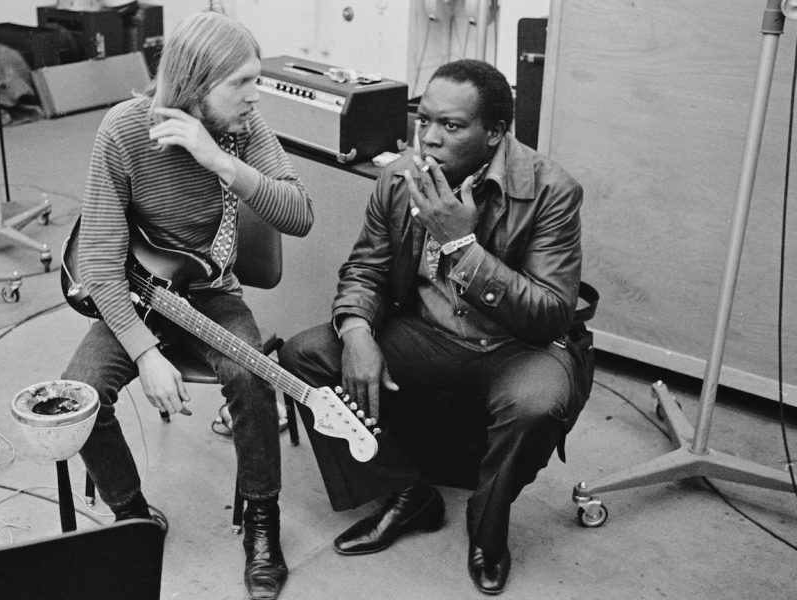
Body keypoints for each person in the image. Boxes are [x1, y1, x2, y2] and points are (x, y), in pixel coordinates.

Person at [278, 58, 588, 596]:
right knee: (307, 355)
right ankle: (405, 494)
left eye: (451, 126)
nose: (430, 138)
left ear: (495, 133)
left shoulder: (551, 191)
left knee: (538, 404)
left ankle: (487, 530)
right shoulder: (399, 176)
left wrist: (462, 246)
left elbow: (551, 311)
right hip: (428, 332)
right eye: (424, 121)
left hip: (518, 345)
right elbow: (365, 269)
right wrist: (355, 331)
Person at [61, 11, 313, 600]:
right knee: (76, 399)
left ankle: (261, 520)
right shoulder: (123, 131)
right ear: (197, 85)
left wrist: (221, 161)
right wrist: (144, 352)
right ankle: (132, 517)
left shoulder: (245, 131)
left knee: (252, 376)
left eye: (257, 79)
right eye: (242, 83)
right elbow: (99, 259)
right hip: (137, 297)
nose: (257, 95)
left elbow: (299, 215)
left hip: (210, 295)